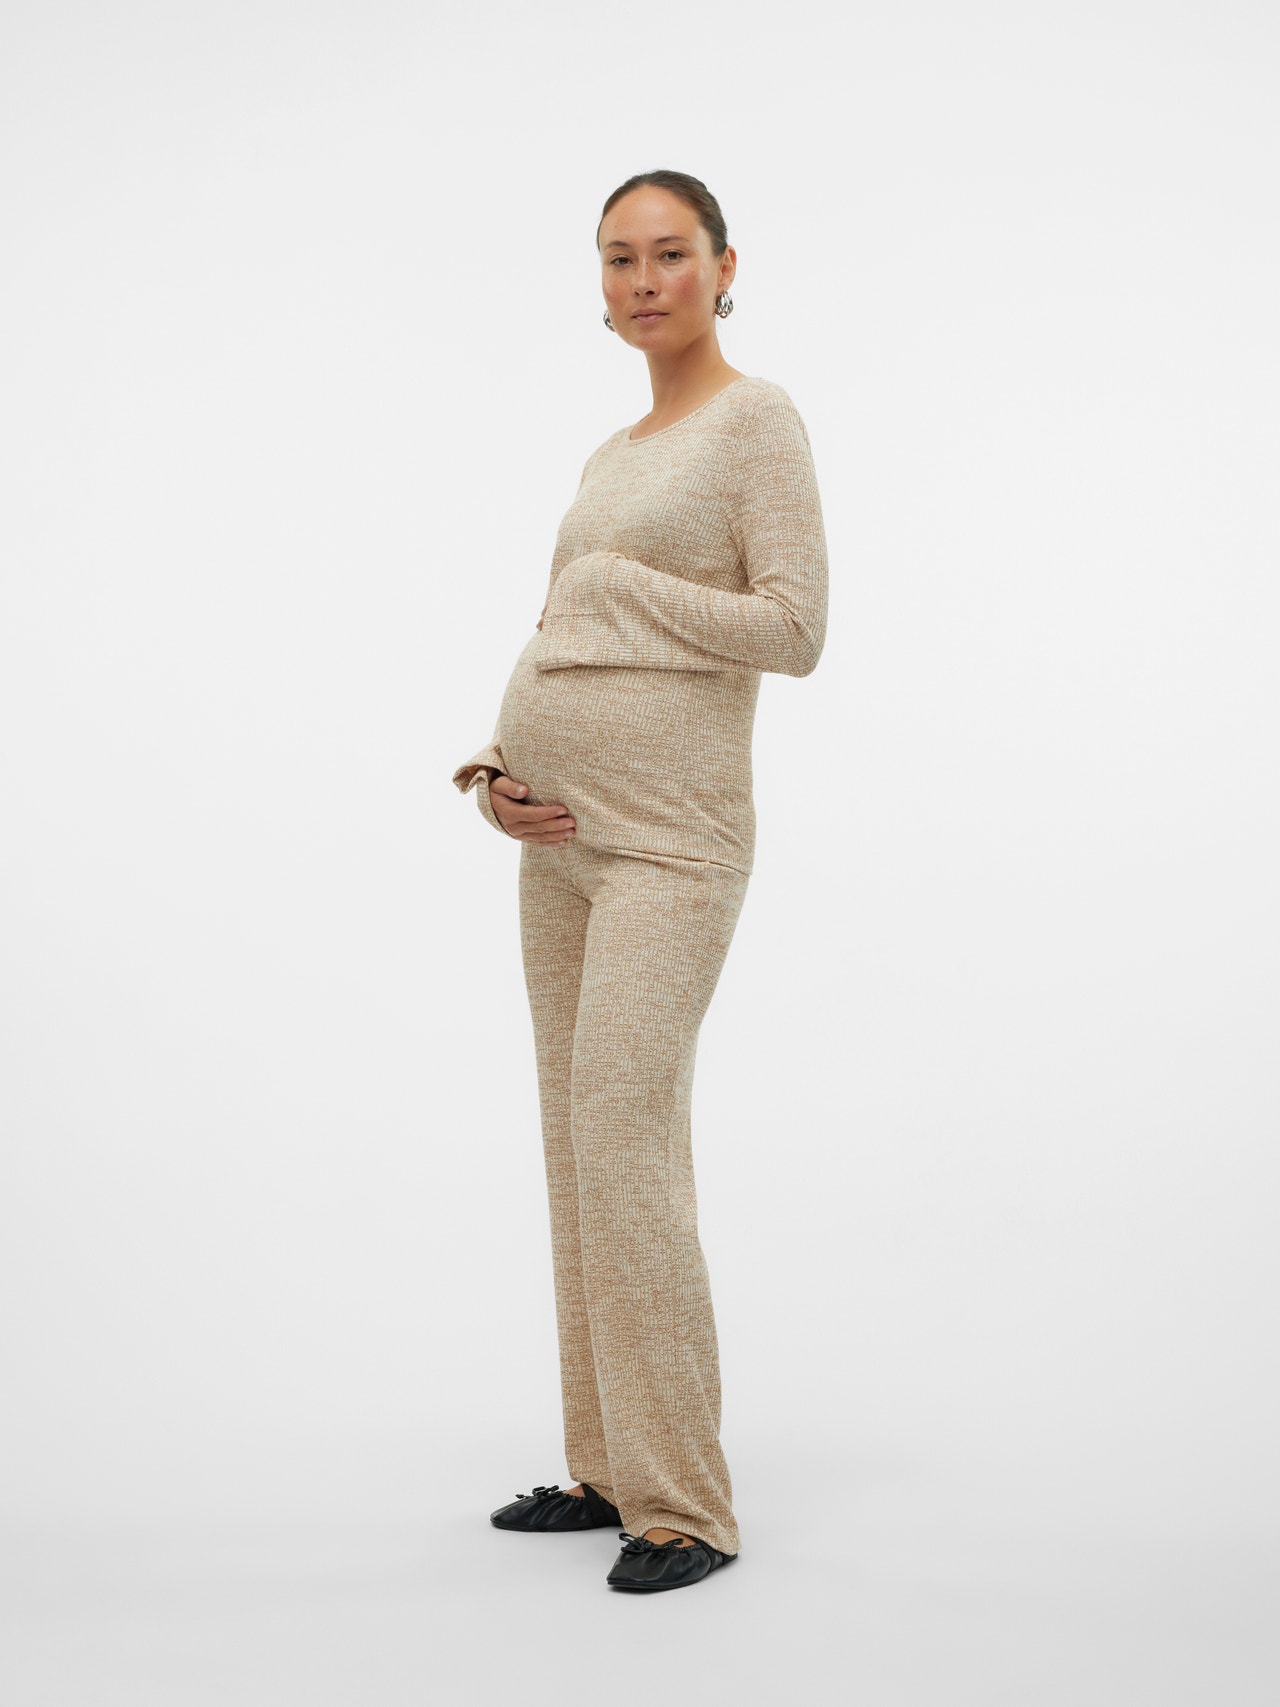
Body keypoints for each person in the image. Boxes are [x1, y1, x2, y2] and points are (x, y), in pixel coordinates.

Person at [452, 168, 829, 1593]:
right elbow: (562, 628)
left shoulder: (757, 420)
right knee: (575, 1144)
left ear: (725, 267)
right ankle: (607, 1465)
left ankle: (688, 1507)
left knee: (626, 1137)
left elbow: (794, 628)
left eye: (671, 254)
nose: (644, 280)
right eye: (619, 258)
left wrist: (622, 586)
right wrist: (496, 768)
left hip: (674, 839)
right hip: (560, 843)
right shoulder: (611, 454)